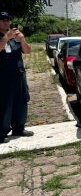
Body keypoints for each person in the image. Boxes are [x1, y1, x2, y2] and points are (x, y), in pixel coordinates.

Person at [0, 11, 33, 144]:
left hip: (18, 74)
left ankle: (19, 128)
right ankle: (2, 132)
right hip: (3, 76)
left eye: (8, 19)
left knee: (21, 101)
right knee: (4, 104)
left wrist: (22, 39)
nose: (6, 22)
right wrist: (5, 38)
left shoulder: (15, 37)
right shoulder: (6, 37)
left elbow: (27, 51)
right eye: (2, 20)